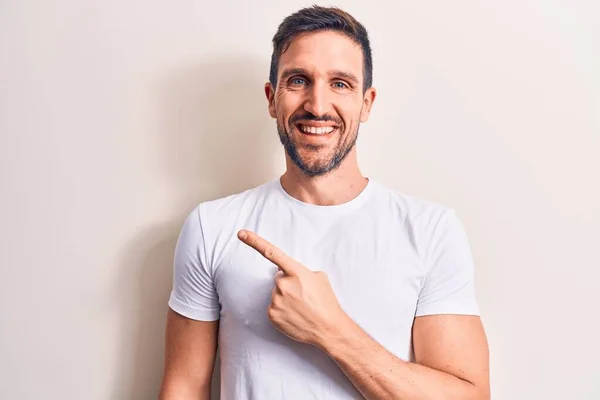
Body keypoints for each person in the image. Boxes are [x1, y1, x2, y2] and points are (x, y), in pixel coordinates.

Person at [159, 5, 490, 400]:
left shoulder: (430, 229)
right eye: (298, 80)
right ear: (271, 98)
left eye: (340, 84)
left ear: (367, 103)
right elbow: (184, 387)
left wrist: (330, 330)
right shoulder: (211, 225)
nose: (317, 105)